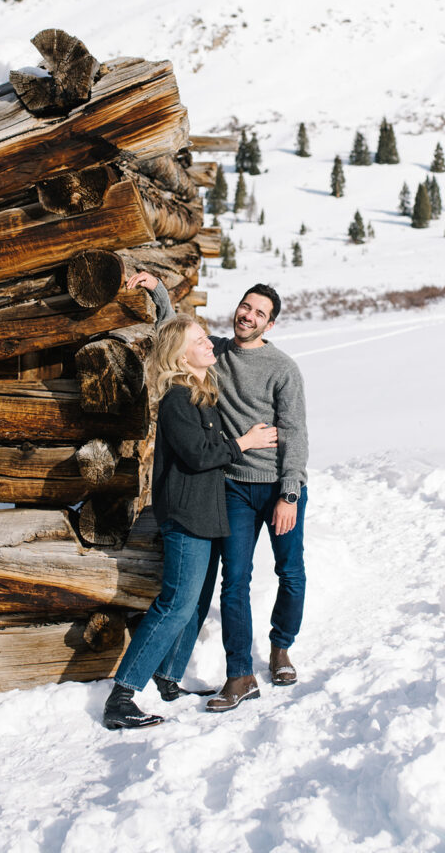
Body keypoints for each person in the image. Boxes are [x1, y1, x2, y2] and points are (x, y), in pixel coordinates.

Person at [129, 274, 308, 714]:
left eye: (259, 313)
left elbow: (296, 434)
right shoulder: (218, 354)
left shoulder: (283, 368)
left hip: (278, 485)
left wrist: (289, 494)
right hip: (233, 486)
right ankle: (240, 673)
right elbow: (177, 337)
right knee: (235, 582)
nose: (248, 315)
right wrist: (158, 292)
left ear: (270, 325)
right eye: (246, 306)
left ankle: (281, 647)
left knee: (291, 572)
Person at [103, 311, 277, 730]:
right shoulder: (177, 398)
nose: (208, 345)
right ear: (182, 358)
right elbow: (199, 455)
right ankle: (121, 696)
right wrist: (246, 443)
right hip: (185, 515)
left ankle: (167, 678)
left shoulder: (201, 393)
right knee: (176, 603)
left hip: (208, 513)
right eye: (199, 341)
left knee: (197, 601)